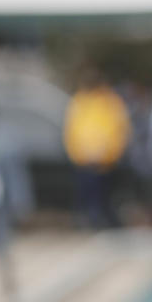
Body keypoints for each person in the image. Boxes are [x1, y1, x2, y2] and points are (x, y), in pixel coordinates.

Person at [62, 69, 131, 228]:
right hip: (83, 160)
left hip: (105, 161)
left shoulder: (110, 102)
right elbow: (71, 130)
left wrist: (110, 152)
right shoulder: (79, 101)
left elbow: (119, 129)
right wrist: (77, 153)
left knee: (104, 198)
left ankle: (102, 222)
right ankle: (87, 221)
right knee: (86, 197)